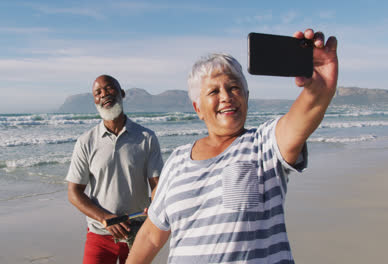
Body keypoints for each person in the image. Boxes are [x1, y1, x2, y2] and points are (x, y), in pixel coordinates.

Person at [127, 28, 338, 263]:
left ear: (246, 96)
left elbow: (304, 115)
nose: (226, 96)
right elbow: (151, 237)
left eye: (234, 87)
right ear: (198, 108)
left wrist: (319, 87)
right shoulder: (177, 161)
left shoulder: (265, 143)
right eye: (214, 91)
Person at [66, 75, 164, 264]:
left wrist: (156, 203)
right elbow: (73, 192)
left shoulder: (147, 137)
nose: (104, 94)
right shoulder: (86, 141)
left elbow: (157, 185)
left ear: (122, 93)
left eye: (109, 88)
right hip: (100, 235)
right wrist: (105, 218)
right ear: (94, 100)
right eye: (98, 92)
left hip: (138, 233)